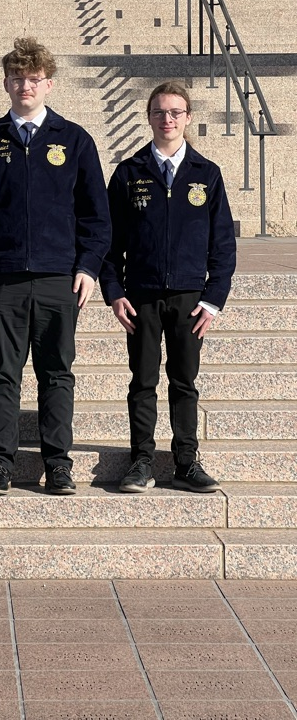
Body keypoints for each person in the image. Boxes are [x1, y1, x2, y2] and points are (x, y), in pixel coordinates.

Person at [0, 37, 111, 497]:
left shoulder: (75, 140)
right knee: (3, 373)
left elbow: (95, 215)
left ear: (48, 84)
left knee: (56, 373)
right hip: (3, 278)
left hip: (57, 278)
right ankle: (0, 463)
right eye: (16, 78)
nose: (24, 85)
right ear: (5, 83)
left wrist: (88, 267)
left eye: (33, 79)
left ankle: (58, 463)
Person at [100, 81, 236, 493]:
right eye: (160, 111)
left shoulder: (206, 175)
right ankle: (141, 459)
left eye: (176, 112)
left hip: (190, 298)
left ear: (188, 118)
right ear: (149, 117)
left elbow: (223, 247)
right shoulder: (128, 173)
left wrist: (212, 301)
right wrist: (114, 292)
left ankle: (185, 461)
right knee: (142, 380)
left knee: (183, 380)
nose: (168, 119)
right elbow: (108, 245)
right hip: (141, 296)